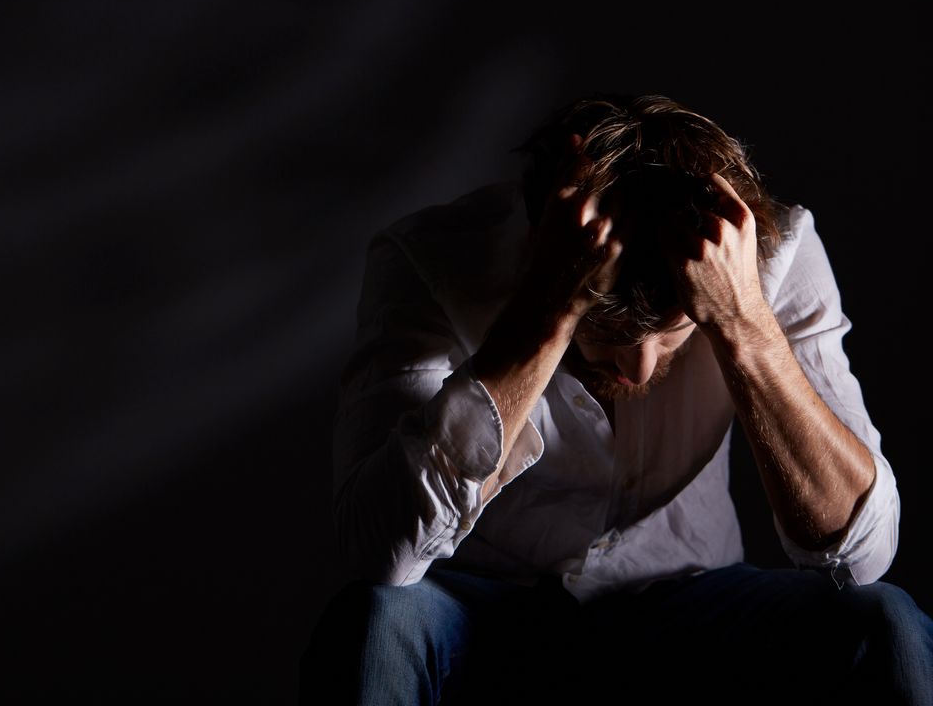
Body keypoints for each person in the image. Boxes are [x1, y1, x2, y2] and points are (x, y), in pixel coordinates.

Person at [298, 94, 933, 705]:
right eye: (606, 334)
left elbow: (862, 556)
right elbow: (380, 553)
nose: (639, 366)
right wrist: (547, 313)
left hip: (695, 603)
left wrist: (741, 325)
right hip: (484, 606)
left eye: (673, 336)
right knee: (376, 625)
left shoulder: (772, 252)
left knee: (886, 622)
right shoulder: (430, 260)